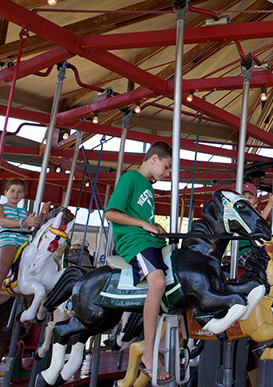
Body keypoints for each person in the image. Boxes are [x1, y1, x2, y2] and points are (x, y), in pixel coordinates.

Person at [105, 141, 172, 384]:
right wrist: (144, 225)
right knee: (157, 282)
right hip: (134, 241)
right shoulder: (131, 177)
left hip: (148, 240)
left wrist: (154, 227)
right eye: (166, 167)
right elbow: (111, 213)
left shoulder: (148, 186)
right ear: (153, 158)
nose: (166, 173)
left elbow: (142, 216)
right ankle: (148, 353)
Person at [0, 179, 44, 340]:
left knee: (39, 268)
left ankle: (33, 309)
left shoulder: (24, 212)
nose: (16, 194)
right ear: (5, 192)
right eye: (12, 191)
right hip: (8, 239)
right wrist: (24, 222)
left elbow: (35, 228)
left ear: (24, 195)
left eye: (19, 191)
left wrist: (42, 216)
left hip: (25, 241)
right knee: (3, 268)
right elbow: (2, 221)